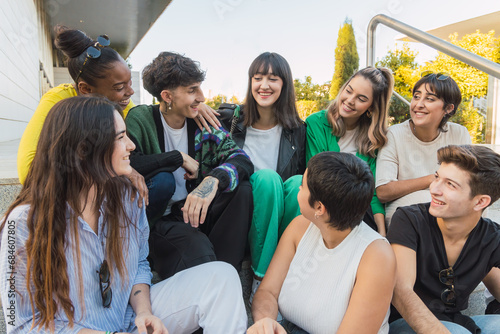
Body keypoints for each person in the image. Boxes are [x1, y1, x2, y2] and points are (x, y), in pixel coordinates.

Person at [0, 95, 248, 333]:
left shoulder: (129, 197)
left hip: (128, 318)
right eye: (120, 137)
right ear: (84, 149)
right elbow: (21, 325)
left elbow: (140, 263)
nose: (131, 145)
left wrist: (144, 312)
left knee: (221, 278)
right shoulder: (21, 223)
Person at [17, 26, 219, 221]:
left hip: (108, 186)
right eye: (120, 87)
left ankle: (143, 239)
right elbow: (28, 170)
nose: (130, 92)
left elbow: (147, 122)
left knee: (161, 180)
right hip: (67, 188)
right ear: (85, 89)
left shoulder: (123, 105)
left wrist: (191, 105)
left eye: (130, 83)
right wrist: (124, 169)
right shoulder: (57, 101)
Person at [125, 52, 254, 279]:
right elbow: (131, 162)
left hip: (199, 212)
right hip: (164, 220)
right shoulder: (141, 119)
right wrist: (177, 157)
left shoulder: (201, 122)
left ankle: (227, 273)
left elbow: (241, 159)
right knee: (199, 257)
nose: (202, 97)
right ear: (167, 96)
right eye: (192, 90)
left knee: (241, 189)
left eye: (200, 88)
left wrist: (212, 180)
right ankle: (207, 270)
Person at [248, 152, 396, 334]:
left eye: (302, 186)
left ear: (319, 207)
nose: (298, 190)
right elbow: (267, 292)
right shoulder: (299, 227)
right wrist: (266, 323)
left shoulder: (376, 256)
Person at [218, 52, 306, 298]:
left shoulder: (298, 130)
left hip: (278, 215)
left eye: (273, 79)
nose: (264, 86)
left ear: (284, 85)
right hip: (243, 209)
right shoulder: (229, 119)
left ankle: (288, 265)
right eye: (258, 78)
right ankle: (261, 278)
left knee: (300, 182)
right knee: (267, 178)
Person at [387, 145, 500, 334]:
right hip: (405, 322)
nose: (434, 189)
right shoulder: (409, 220)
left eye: (450, 184)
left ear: (481, 202)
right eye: (437, 177)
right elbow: (401, 291)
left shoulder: (492, 237)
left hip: (458, 322)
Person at [305, 66, 394, 236]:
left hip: (357, 211)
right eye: (349, 91)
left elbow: (372, 192)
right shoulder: (316, 123)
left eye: (361, 98)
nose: (350, 100)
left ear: (371, 107)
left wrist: (382, 231)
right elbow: (315, 175)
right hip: (322, 205)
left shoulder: (373, 140)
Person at [376, 72, 472, 226]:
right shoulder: (395, 134)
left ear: (448, 108)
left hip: (447, 207)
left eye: (430, 99)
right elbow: (383, 191)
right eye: (416, 96)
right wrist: (430, 179)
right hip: (408, 214)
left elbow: (468, 180)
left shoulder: (459, 134)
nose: (418, 104)